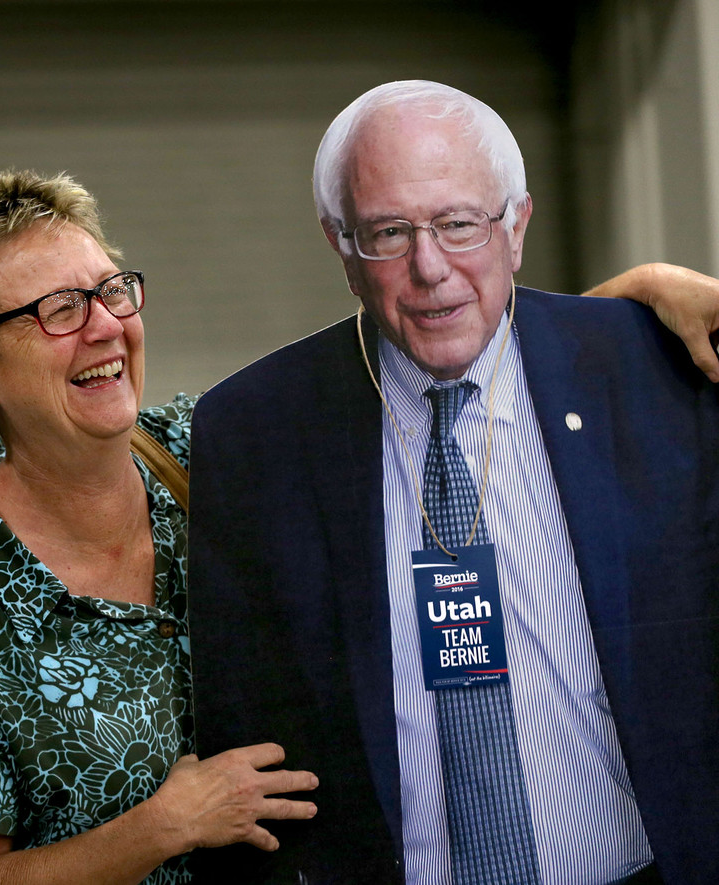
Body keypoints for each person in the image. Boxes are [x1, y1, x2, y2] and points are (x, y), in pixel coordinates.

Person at [188, 81, 719, 884]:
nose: (430, 267)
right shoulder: (254, 433)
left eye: (459, 224)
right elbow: (250, 752)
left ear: (518, 225)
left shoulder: (658, 371)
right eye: (388, 232)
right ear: (340, 245)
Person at [0, 170, 320, 885]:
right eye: (60, 308)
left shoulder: (213, 452)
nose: (105, 325)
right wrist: (164, 826)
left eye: (111, 290)